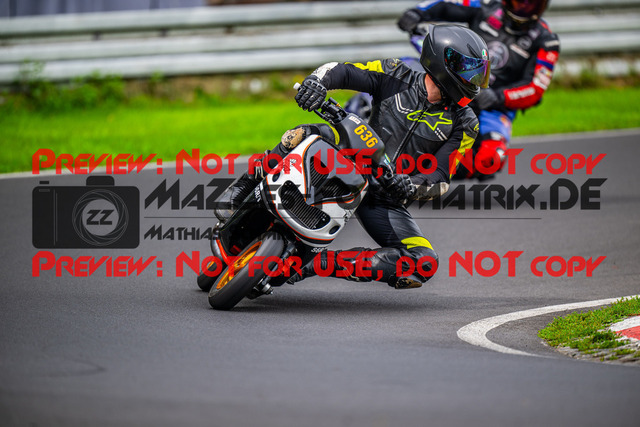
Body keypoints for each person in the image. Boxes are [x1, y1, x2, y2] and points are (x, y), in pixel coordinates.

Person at [218, 24, 490, 289]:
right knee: (305, 133)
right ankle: (243, 188)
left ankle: (309, 265)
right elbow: (343, 71)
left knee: (423, 261)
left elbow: (441, 177)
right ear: (443, 61)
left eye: (478, 74)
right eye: (470, 72)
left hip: (384, 195)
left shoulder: (466, 123)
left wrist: (411, 185)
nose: (475, 82)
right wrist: (316, 83)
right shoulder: (394, 72)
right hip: (348, 158)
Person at [398, 0, 560, 179]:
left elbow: (535, 88)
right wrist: (418, 13)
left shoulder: (547, 41)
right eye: (520, 2)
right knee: (404, 67)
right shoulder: (486, 7)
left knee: (490, 159)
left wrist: (498, 97)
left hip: (494, 106)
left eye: (533, 4)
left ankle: (430, 172)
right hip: (456, 80)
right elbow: (446, 4)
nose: (524, 8)